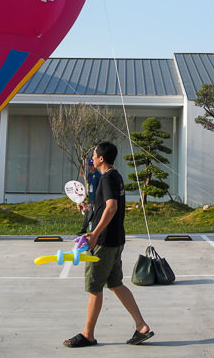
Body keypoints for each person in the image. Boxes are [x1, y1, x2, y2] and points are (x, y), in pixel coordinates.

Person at [64, 142, 154, 348]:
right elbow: (105, 207)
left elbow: (111, 207)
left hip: (104, 243)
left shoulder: (106, 178)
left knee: (95, 287)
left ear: (101, 159)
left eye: (94, 155)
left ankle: (88, 335)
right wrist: (87, 209)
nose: (92, 158)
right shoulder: (116, 176)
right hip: (116, 240)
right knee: (115, 284)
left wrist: (94, 234)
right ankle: (141, 326)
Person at [78, 159, 102, 235]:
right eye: (90, 165)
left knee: (92, 214)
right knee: (90, 213)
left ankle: (87, 229)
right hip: (91, 197)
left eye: (92, 165)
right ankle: (86, 229)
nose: (91, 167)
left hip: (96, 198)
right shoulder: (90, 175)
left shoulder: (98, 175)